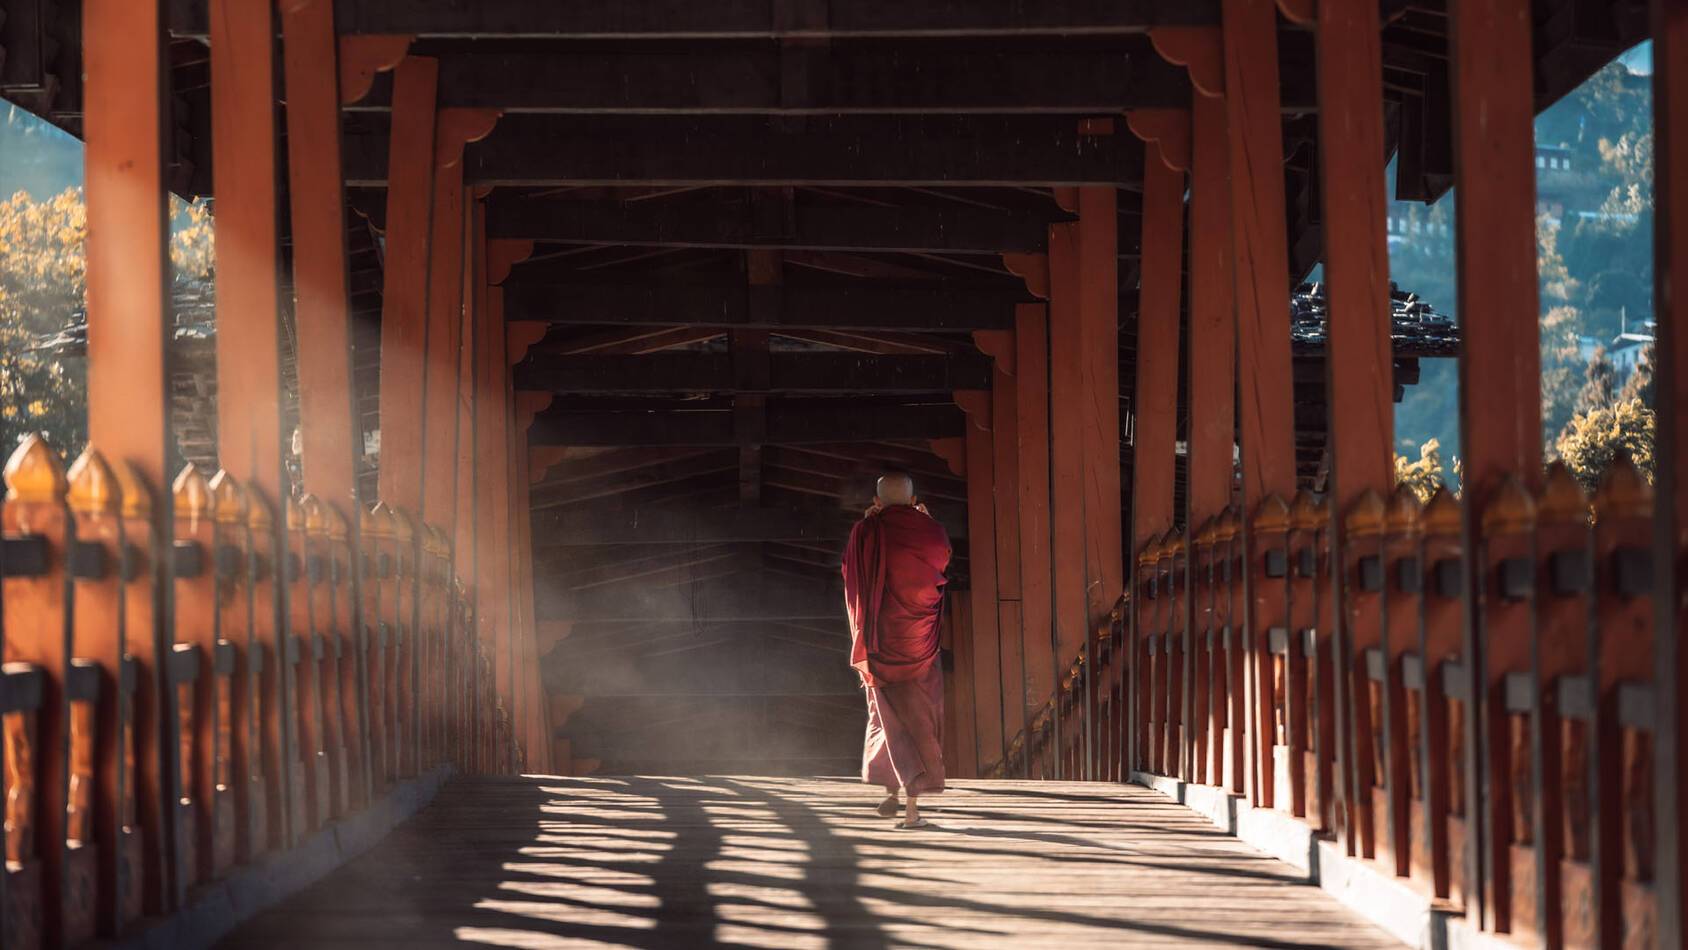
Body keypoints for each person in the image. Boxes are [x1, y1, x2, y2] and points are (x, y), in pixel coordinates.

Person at [841, 472, 951, 828]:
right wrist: (926, 521)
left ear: (877, 501)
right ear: (913, 497)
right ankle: (910, 807)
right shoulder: (931, 531)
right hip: (918, 642)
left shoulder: (865, 533)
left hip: (880, 641)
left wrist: (868, 527)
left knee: (883, 712)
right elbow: (941, 560)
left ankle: (892, 792)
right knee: (917, 714)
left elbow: (849, 573)